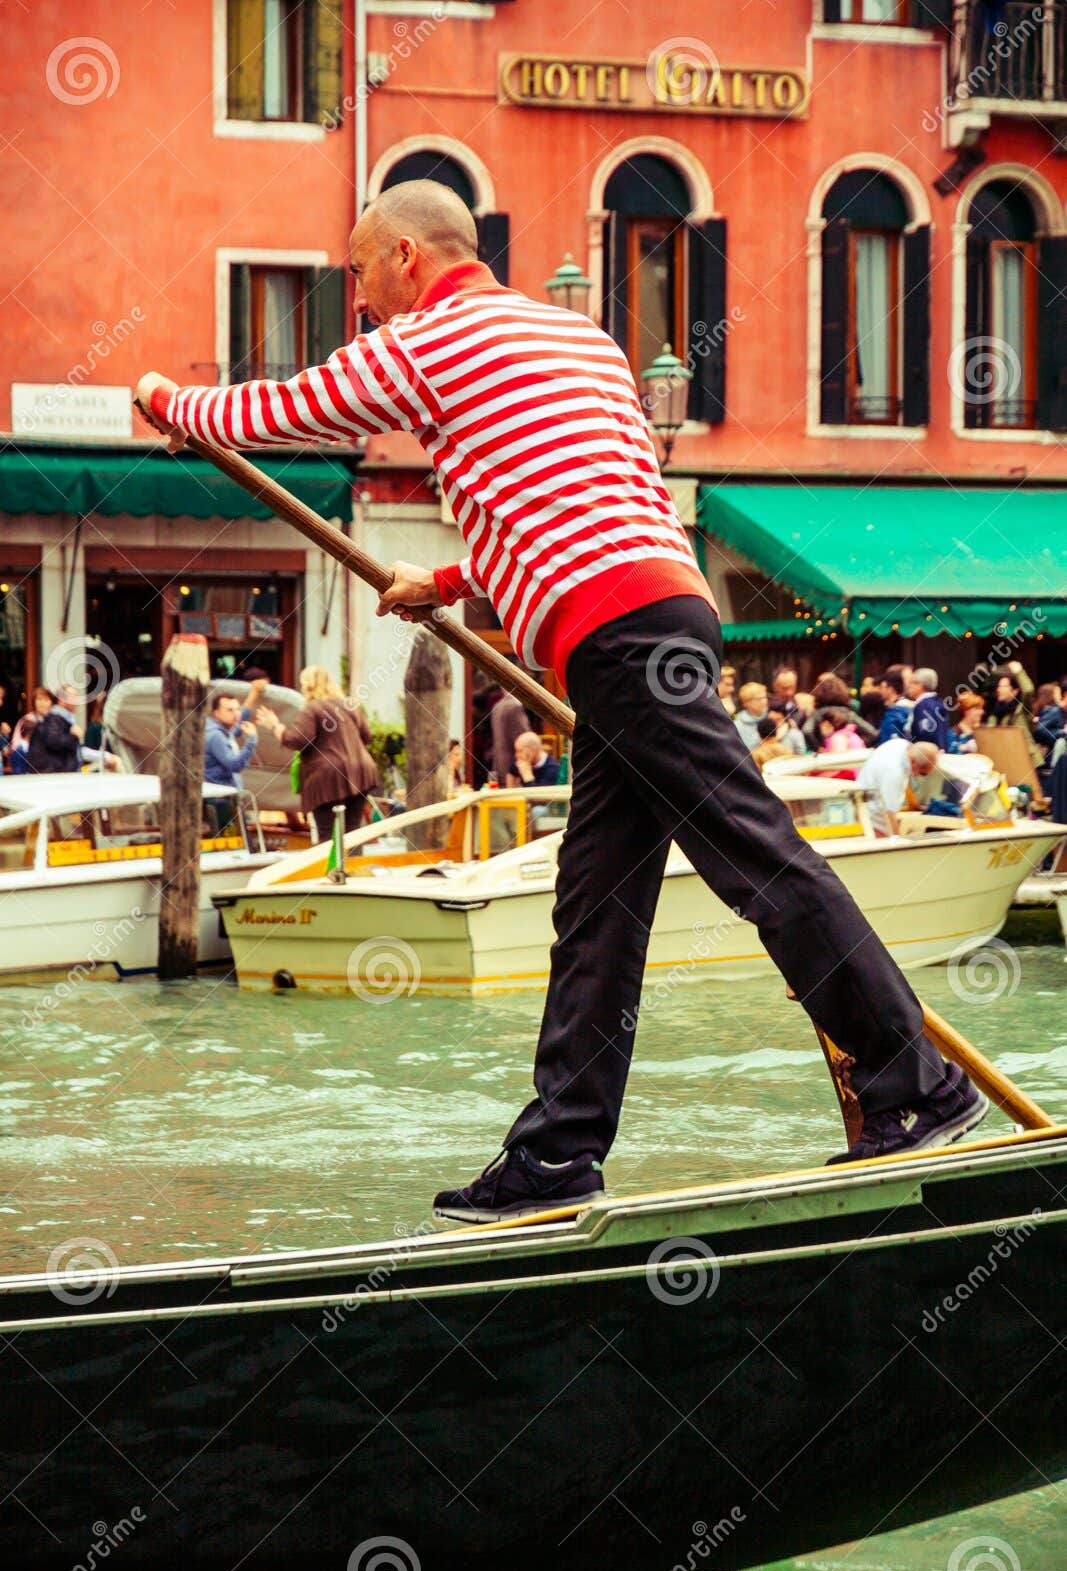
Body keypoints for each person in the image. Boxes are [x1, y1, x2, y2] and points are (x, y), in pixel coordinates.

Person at [136, 176, 986, 1212]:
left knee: (753, 853)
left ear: (408, 255)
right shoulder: (577, 338)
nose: (357, 299)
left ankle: (914, 1085)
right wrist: (446, 581)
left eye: (360, 272)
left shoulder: (430, 338)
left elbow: (292, 407)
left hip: (617, 635)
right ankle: (555, 1155)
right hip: (657, 613)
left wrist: (174, 407)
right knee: (596, 907)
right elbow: (575, 497)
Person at [257, 666, 377, 844]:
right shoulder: (350, 705)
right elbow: (367, 736)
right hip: (361, 771)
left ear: (308, 685)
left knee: (327, 833)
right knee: (352, 831)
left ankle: (329, 872)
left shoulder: (313, 709)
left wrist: (275, 725)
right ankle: (353, 868)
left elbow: (298, 740)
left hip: (327, 776)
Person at [859, 738, 940, 837]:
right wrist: (897, 840)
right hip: (873, 821)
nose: (918, 776)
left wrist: (916, 806)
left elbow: (906, 778)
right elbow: (889, 811)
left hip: (868, 808)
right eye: (923, 773)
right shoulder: (894, 772)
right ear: (913, 762)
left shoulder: (900, 744)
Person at [203, 689, 262, 788]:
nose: (236, 714)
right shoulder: (216, 736)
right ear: (216, 713)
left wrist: (254, 693)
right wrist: (252, 739)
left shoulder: (221, 730)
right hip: (220, 798)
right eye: (230, 710)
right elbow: (235, 765)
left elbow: (237, 726)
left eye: (237, 709)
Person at [803, 675, 878, 751]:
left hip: (826, 757)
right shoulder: (848, 714)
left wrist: (818, 748)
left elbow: (807, 731)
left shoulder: (817, 713)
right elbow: (872, 733)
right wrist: (856, 742)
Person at [989, 670, 1044, 770]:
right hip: (1005, 760)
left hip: (1027, 759)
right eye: (999, 686)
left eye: (1004, 686)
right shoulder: (995, 713)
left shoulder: (1022, 709)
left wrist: (1019, 672)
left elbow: (1028, 691)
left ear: (1015, 691)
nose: (999, 689)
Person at [24, 686, 81, 773]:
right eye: (73, 697)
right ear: (62, 699)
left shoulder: (63, 719)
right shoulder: (54, 719)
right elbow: (54, 741)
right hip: (51, 775)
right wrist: (74, 736)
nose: (77, 701)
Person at [9, 686, 54, 775]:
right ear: (34, 702)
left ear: (51, 702)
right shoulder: (26, 720)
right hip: (29, 763)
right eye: (39, 699)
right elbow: (16, 745)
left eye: (45, 700)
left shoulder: (56, 720)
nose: (42, 703)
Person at [490, 689, 530, 787]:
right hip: (513, 767)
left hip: (498, 765)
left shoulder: (497, 706)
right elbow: (524, 740)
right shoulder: (514, 706)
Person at [908, 667, 950, 750]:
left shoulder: (923, 706)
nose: (909, 686)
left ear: (920, 685)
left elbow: (926, 734)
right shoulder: (938, 702)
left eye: (912, 682)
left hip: (927, 755)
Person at [817, 708, 866, 779]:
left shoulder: (838, 737)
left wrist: (820, 777)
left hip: (851, 778)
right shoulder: (850, 735)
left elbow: (837, 764)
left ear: (826, 723)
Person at [877, 667, 913, 743]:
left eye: (882, 687)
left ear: (890, 689)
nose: (880, 691)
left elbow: (888, 740)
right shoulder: (911, 707)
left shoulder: (894, 713)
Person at [732, 681, 769, 751]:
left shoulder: (772, 718)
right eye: (759, 699)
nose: (764, 701)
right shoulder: (737, 726)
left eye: (765, 697)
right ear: (746, 703)